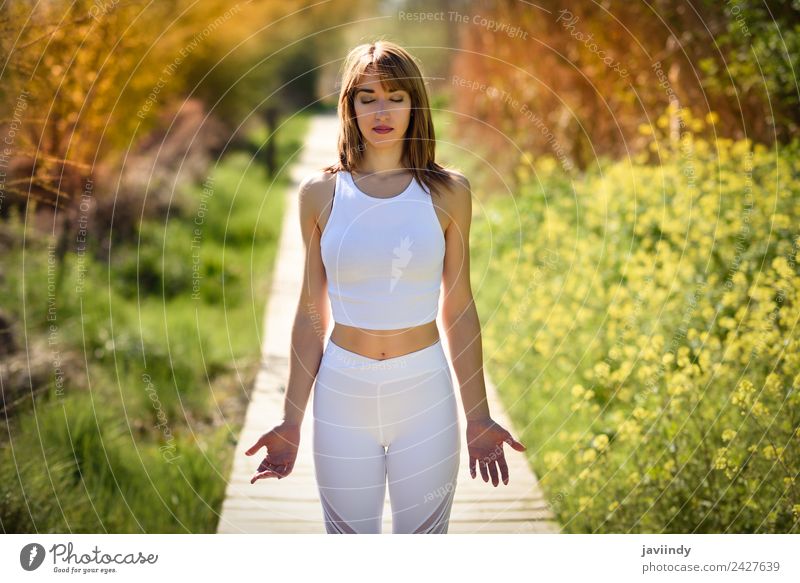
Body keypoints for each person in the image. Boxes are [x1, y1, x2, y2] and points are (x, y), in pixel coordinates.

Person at [246, 40, 526, 534]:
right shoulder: (321, 193)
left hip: (425, 392)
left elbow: (458, 306)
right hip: (342, 393)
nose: (382, 111)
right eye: (367, 97)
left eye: (396, 97)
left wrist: (478, 415)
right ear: (349, 106)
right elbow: (311, 312)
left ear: (414, 104)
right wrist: (290, 421)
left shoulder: (448, 192)